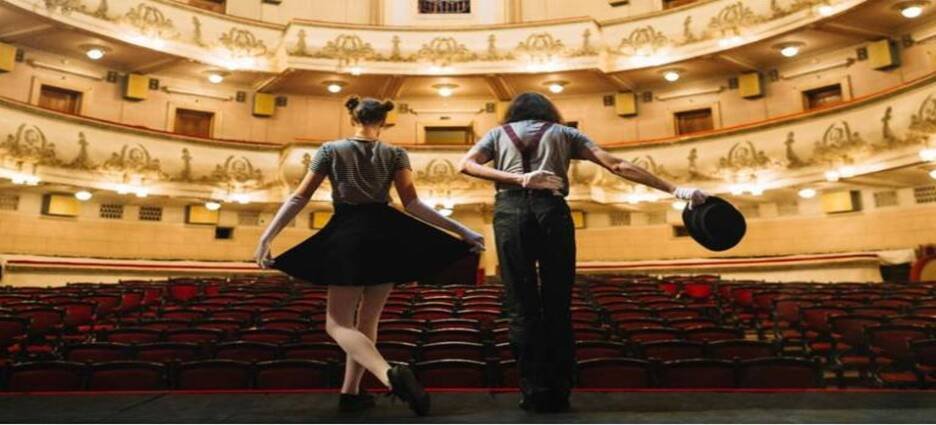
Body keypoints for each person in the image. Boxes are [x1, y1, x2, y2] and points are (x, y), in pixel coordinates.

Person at [458, 92, 707, 413]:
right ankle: (559, 392)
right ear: (549, 111)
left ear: (513, 112)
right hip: (552, 210)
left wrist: (519, 179)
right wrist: (675, 189)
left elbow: (466, 165)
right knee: (558, 304)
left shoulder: (497, 134)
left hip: (509, 211)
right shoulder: (565, 133)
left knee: (521, 307)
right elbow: (617, 164)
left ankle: (533, 392)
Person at [254, 96, 485, 416]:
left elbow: (299, 197)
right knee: (368, 321)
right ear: (384, 121)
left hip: (348, 234)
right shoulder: (396, 153)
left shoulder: (330, 150)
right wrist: (463, 231)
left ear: (353, 118)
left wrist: (266, 237)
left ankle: (388, 374)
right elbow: (413, 204)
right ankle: (350, 393)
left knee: (337, 324)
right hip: (385, 235)